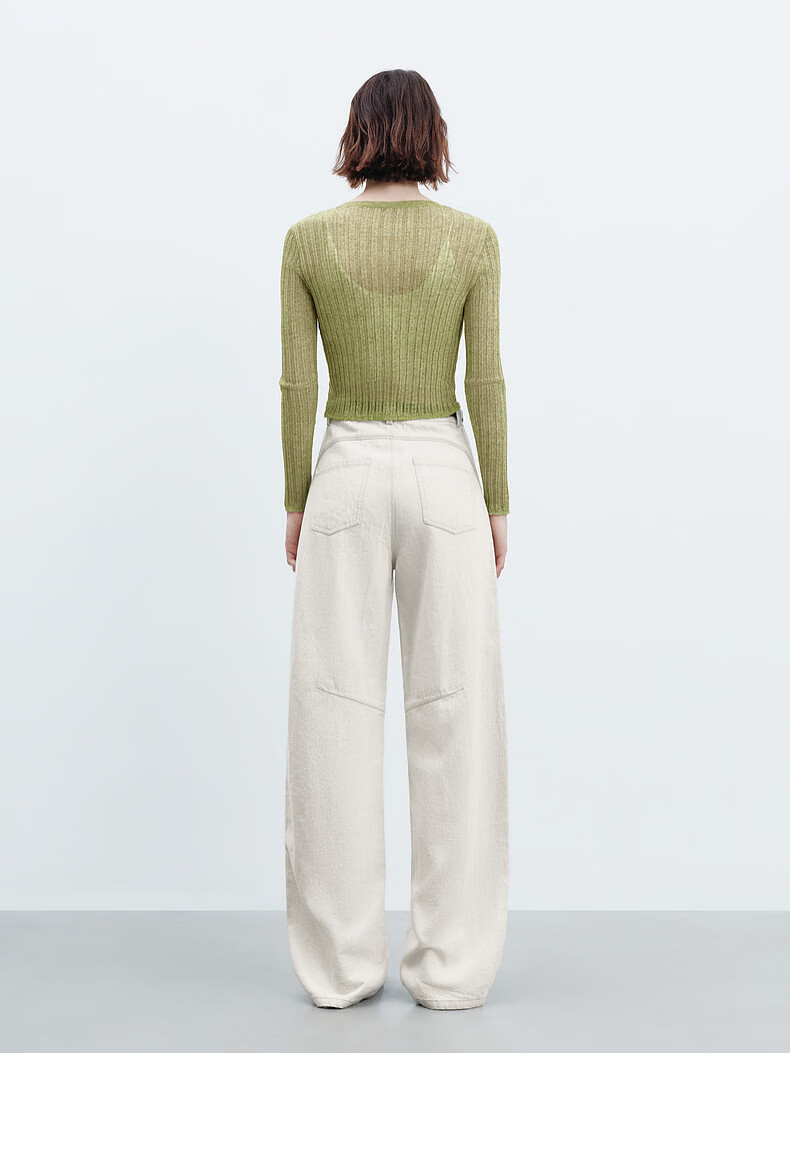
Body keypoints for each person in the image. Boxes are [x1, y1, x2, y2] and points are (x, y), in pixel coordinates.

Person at [279, 69, 509, 1010]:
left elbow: (298, 385)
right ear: (432, 135)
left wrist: (294, 497)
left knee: (333, 714)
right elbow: (485, 379)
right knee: (456, 714)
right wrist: (498, 502)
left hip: (343, 474)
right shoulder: (474, 240)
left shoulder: (306, 241)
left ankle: (340, 968)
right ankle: (450, 970)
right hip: (445, 477)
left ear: (358, 134)